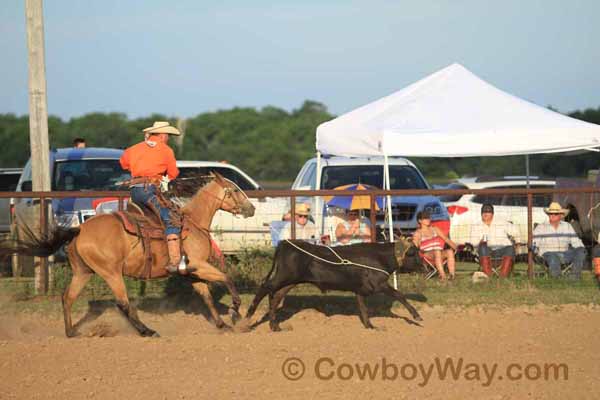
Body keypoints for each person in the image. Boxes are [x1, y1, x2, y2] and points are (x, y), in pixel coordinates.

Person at [119, 121, 194, 275]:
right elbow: (173, 174)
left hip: (134, 192)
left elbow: (123, 164)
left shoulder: (133, 148)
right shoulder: (166, 150)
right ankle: (174, 261)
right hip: (150, 192)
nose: (168, 138)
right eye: (168, 136)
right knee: (171, 218)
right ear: (163, 135)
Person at [533, 202, 586, 279]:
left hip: (565, 254)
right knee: (553, 256)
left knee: (582, 251)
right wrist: (535, 251)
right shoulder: (541, 227)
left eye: (556, 214)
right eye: (550, 213)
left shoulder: (567, 226)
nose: (552, 215)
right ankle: (557, 279)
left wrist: (581, 248)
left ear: (561, 215)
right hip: (547, 255)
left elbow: (576, 242)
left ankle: (573, 277)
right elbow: (534, 243)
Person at [467, 203, 519, 278]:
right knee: (483, 247)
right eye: (484, 212)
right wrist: (480, 242)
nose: (485, 214)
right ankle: (489, 276)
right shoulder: (476, 226)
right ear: (481, 213)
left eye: (488, 212)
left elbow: (515, 231)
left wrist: (518, 242)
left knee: (510, 248)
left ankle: (503, 277)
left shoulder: (501, 222)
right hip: (487, 252)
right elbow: (472, 242)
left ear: (492, 214)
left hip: (503, 250)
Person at [412, 210, 457, 280]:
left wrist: (455, 247)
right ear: (420, 221)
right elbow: (415, 247)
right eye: (425, 218)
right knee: (437, 251)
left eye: (428, 218)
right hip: (427, 255)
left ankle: (452, 275)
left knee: (449, 252)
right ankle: (443, 276)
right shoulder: (418, 233)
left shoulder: (435, 229)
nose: (428, 220)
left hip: (438, 252)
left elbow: (446, 239)